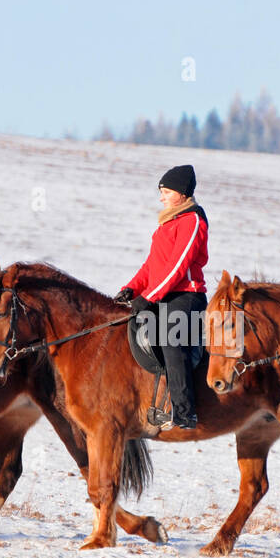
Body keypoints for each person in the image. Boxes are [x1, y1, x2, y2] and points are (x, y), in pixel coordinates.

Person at [114, 165, 209, 430]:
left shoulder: (193, 220)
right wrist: (132, 289)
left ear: (181, 193)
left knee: (170, 341)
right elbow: (152, 265)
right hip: (163, 296)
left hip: (186, 297)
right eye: (161, 192)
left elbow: (178, 266)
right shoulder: (168, 222)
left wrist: (150, 297)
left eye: (166, 191)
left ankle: (184, 411)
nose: (161, 197)